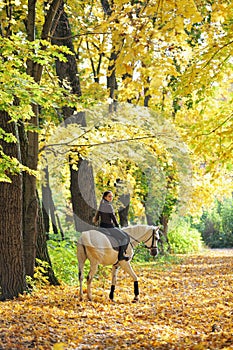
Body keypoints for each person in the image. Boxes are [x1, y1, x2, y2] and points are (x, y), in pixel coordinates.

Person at [93, 190, 130, 261]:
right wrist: (117, 226)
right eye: (109, 196)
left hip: (101, 227)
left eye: (112, 196)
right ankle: (121, 256)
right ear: (105, 197)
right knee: (125, 237)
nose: (111, 198)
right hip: (109, 227)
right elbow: (113, 217)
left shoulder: (101, 206)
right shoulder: (109, 206)